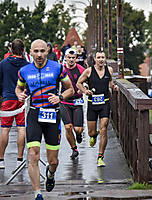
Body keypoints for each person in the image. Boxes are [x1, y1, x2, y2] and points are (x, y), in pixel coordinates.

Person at [15, 39, 74, 200]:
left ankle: (50, 174)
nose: (39, 54)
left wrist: (60, 96)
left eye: (42, 51)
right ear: (30, 52)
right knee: (33, 154)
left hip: (52, 115)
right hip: (34, 114)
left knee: (53, 161)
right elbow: (19, 87)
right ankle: (37, 193)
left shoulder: (57, 68)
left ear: (47, 51)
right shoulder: (24, 70)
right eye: (36, 51)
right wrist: (19, 94)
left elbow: (71, 88)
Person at [77, 51, 118, 167]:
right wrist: (85, 91)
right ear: (94, 59)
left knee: (104, 128)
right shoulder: (89, 71)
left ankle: (100, 157)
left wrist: (113, 86)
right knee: (91, 132)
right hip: (92, 104)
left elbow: (110, 82)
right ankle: (94, 135)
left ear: (105, 59)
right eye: (98, 57)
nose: (101, 59)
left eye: (103, 57)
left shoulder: (109, 70)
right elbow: (78, 83)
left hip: (104, 103)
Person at [0, 39, 29, 169]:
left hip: (7, 99)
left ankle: (1, 160)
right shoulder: (27, 65)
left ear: (10, 49)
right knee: (21, 128)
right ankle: (19, 159)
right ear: (23, 50)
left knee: (5, 129)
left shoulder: (3, 64)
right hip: (21, 99)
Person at [60, 48, 85, 160]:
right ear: (65, 58)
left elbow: (87, 82)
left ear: (76, 58)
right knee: (68, 127)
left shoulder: (81, 69)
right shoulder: (61, 69)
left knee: (77, 129)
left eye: (73, 58)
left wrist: (84, 89)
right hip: (64, 101)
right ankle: (74, 149)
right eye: (69, 58)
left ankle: (79, 134)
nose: (71, 60)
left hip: (77, 101)